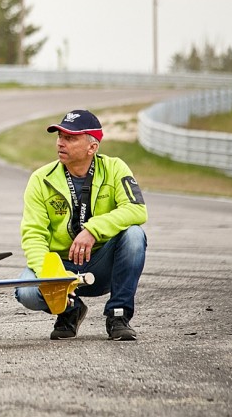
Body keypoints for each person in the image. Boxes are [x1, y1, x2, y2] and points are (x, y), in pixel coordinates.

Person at [14, 109, 148, 341]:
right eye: (59, 137)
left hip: (102, 266)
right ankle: (70, 311)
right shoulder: (40, 178)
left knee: (135, 235)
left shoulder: (115, 168)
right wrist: (53, 276)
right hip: (61, 268)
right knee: (25, 291)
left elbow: (137, 209)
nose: (60, 143)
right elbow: (33, 235)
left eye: (70, 138)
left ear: (92, 147)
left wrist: (92, 230)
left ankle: (118, 315)